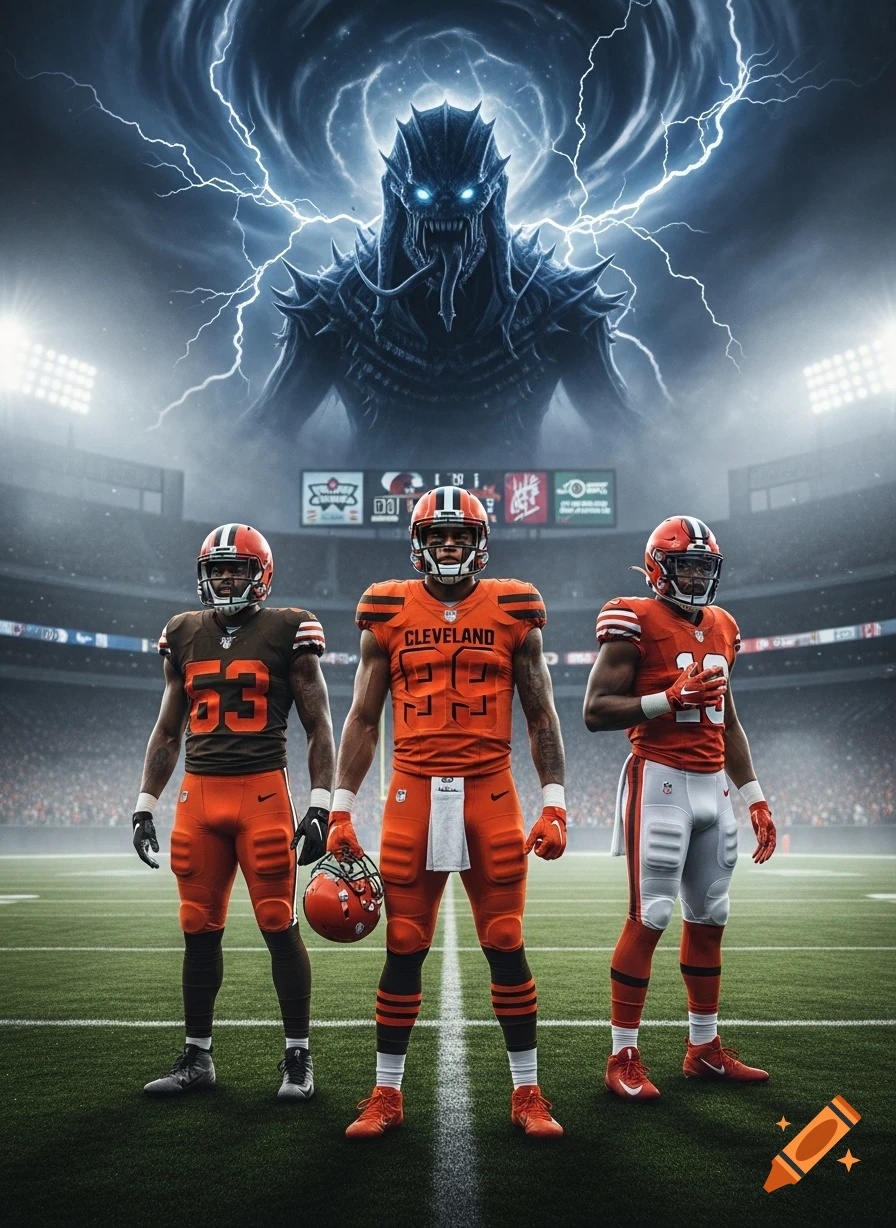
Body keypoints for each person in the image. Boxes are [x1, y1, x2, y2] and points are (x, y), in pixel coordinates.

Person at [330, 486, 567, 1140]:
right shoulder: (387, 609)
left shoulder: (516, 607)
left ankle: (527, 1093)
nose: (449, 545)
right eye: (438, 537)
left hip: (490, 787)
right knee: (404, 943)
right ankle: (385, 1094)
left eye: (459, 535)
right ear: (420, 544)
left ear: (480, 542)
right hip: (412, 789)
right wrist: (342, 807)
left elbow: (540, 712)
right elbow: (361, 716)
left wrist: (555, 801)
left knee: (505, 940)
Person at [132, 523, 335, 1101]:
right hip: (198, 797)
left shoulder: (287, 629)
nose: (226, 577)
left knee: (277, 923)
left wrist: (320, 805)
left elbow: (319, 726)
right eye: (217, 568)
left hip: (262, 795)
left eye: (237, 568)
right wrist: (146, 803)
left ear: (260, 574)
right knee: (197, 929)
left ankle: (298, 1056)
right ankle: (197, 1057)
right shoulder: (183, 633)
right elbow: (168, 729)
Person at [583, 515, 777, 1100]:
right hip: (659, 779)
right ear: (657, 568)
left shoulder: (723, 625)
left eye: (702, 566)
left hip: (714, 784)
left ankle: (704, 1048)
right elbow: (596, 710)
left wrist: (756, 798)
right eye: (684, 565)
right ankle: (622, 1055)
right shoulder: (633, 618)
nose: (694, 576)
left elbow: (731, 721)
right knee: (652, 915)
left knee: (711, 915)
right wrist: (665, 700)